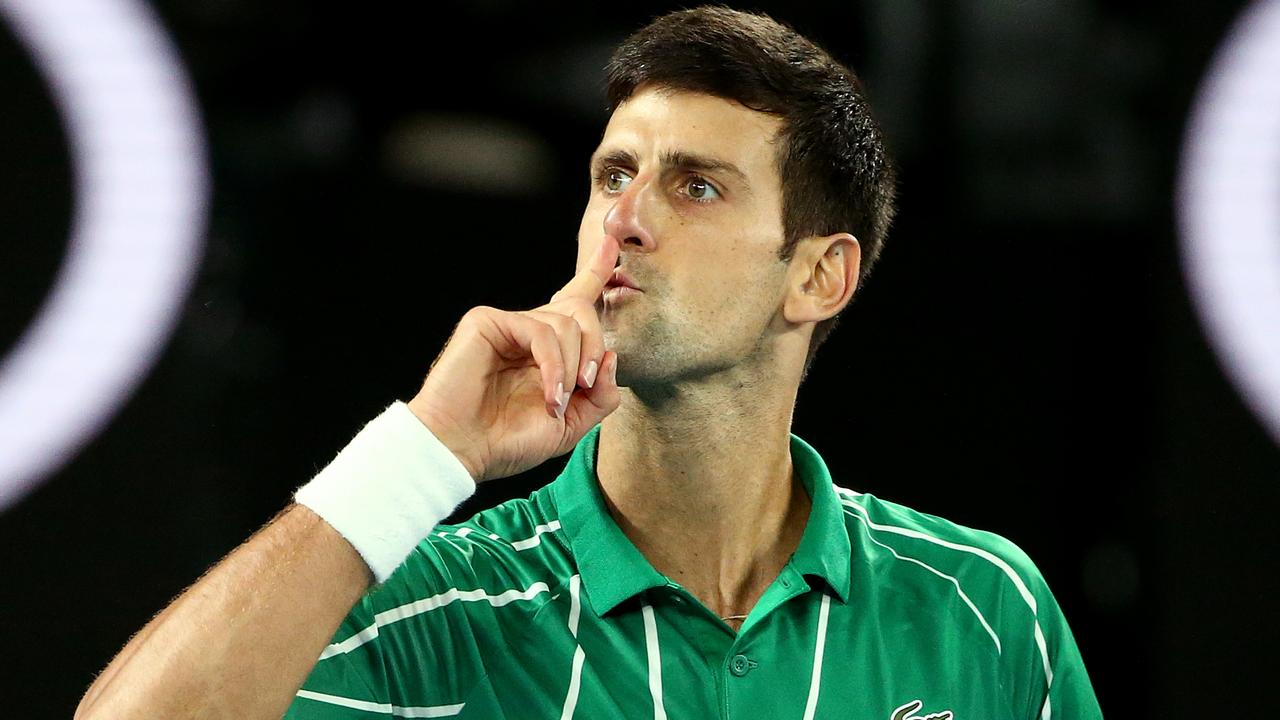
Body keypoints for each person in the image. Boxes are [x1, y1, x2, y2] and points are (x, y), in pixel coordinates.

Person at [76, 6, 1102, 719]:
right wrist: (423, 450)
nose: (624, 219)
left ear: (817, 278)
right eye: (614, 174)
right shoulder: (446, 609)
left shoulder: (982, 606)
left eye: (694, 187)